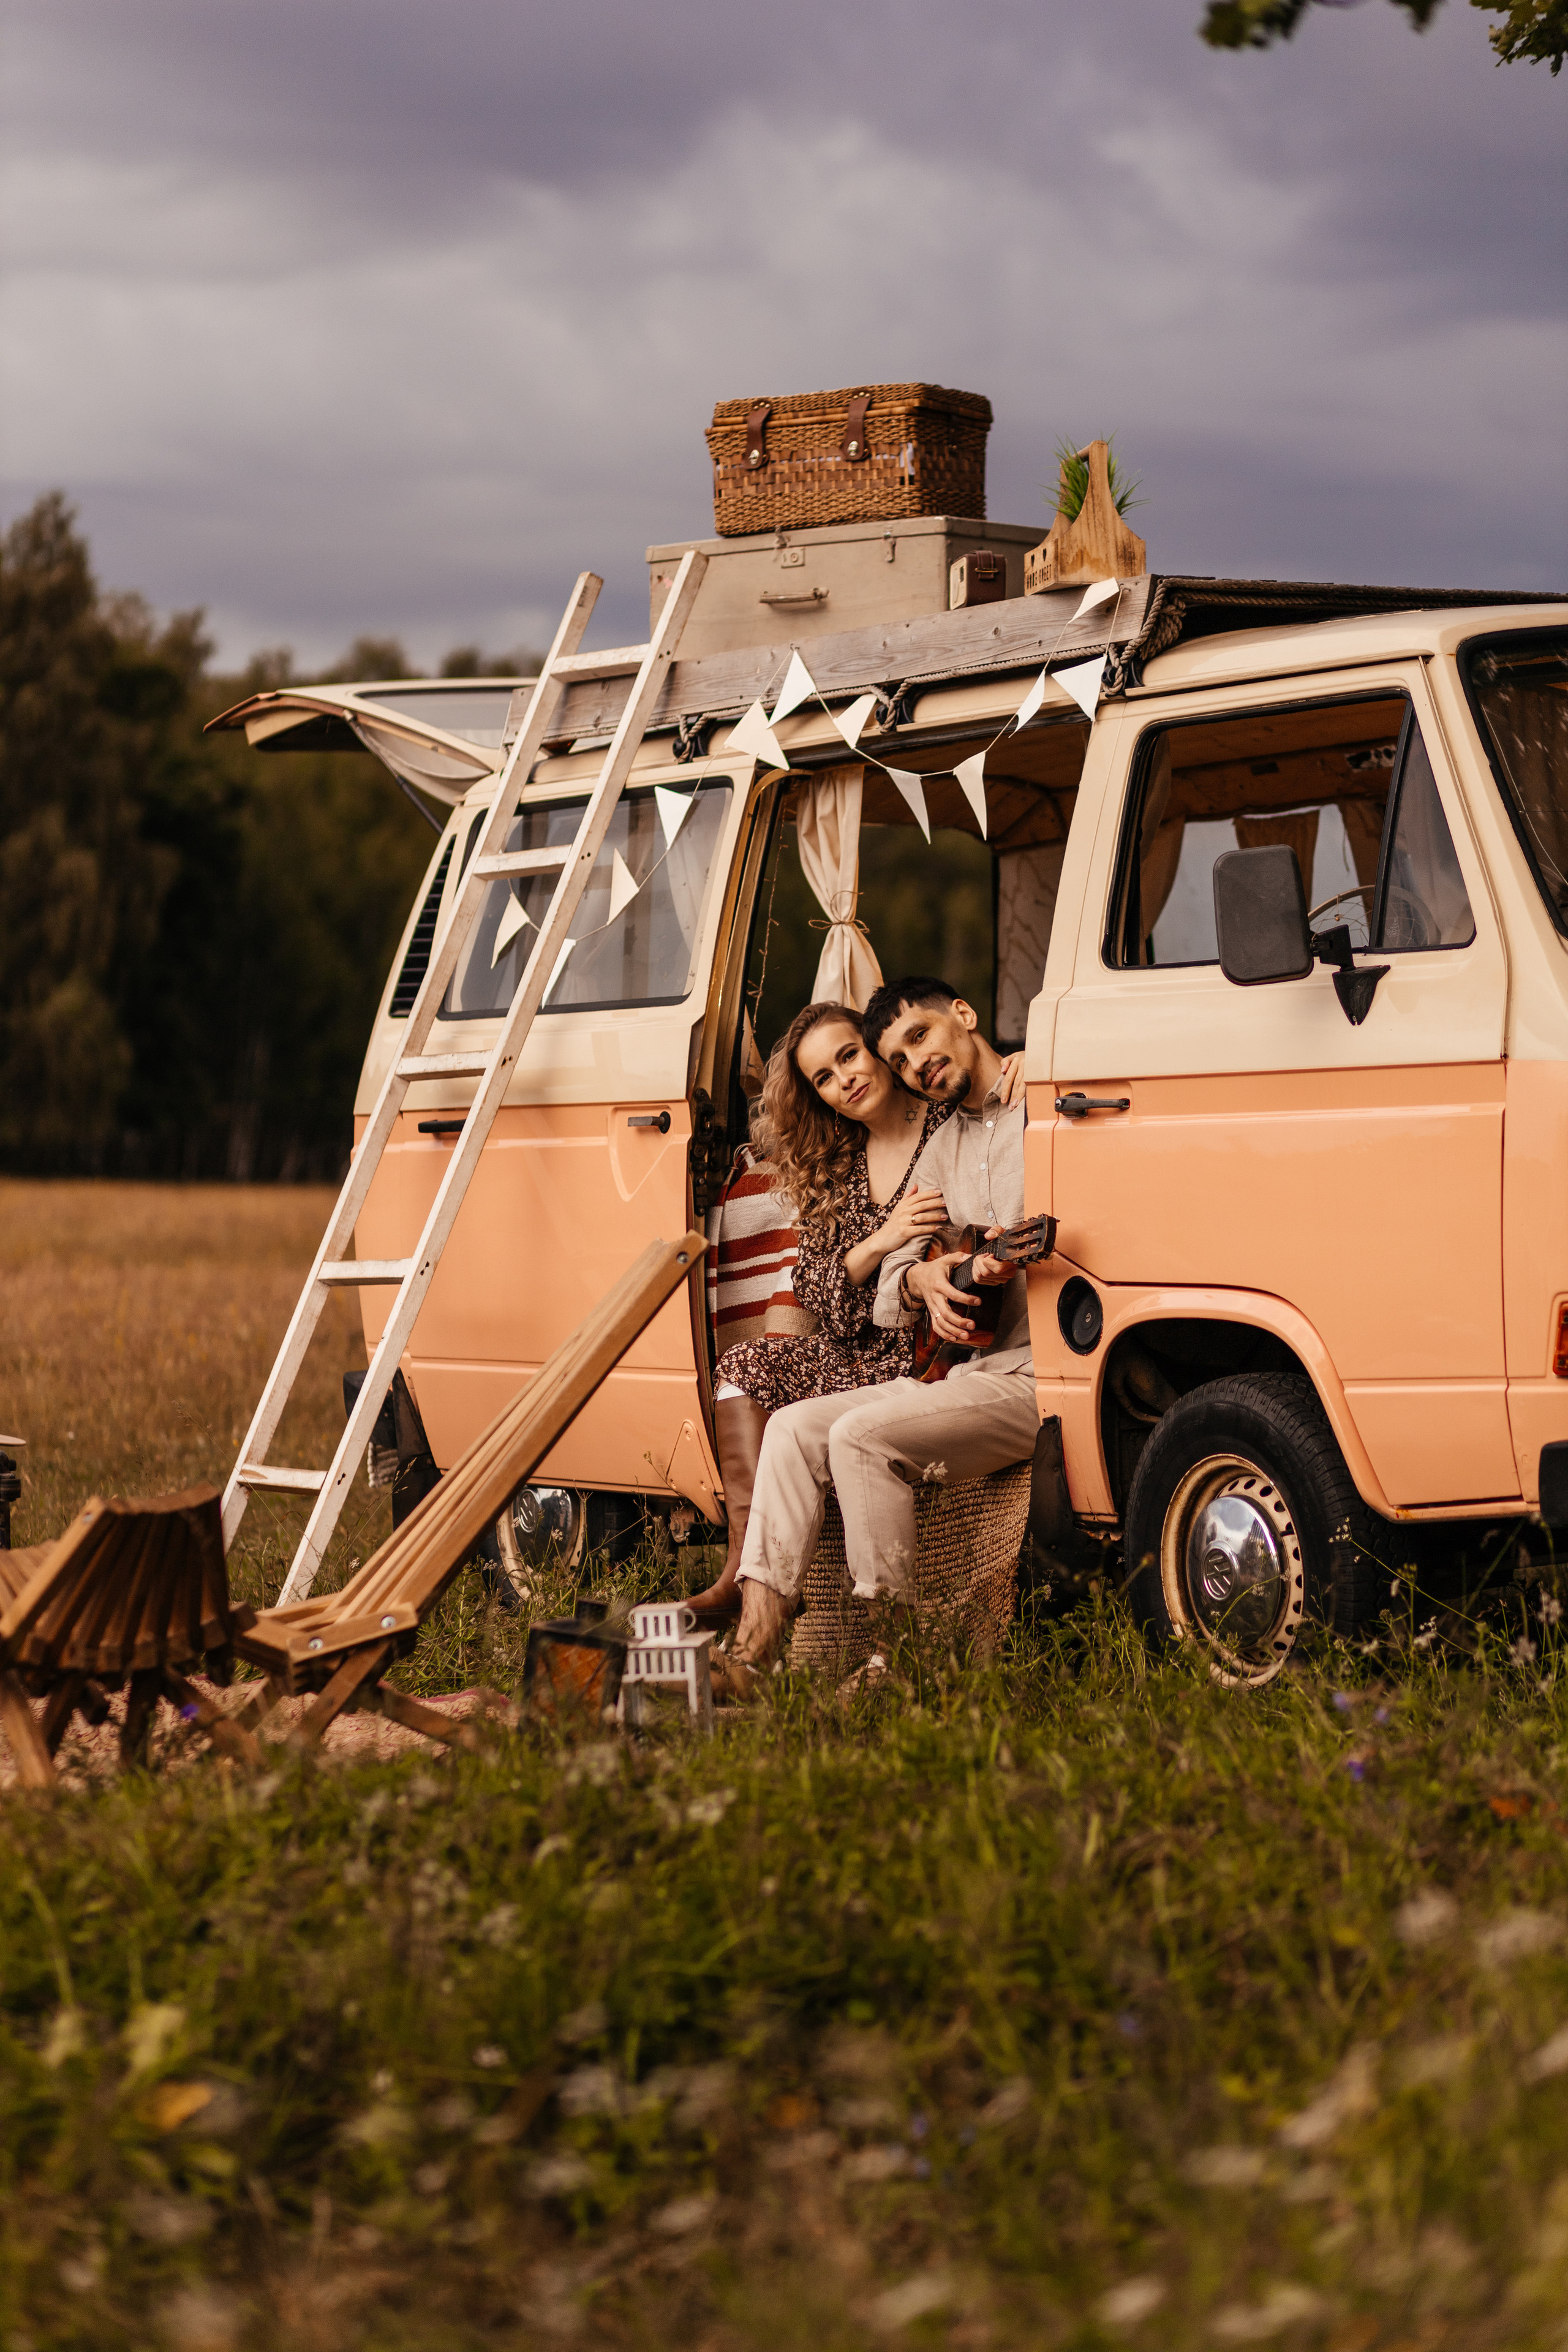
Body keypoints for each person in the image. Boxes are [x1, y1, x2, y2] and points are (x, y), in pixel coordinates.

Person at [715, 976, 1042, 1686]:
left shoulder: (1043, 1094)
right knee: (792, 1427)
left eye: (915, 1039)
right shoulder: (940, 1147)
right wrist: (920, 1278)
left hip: (1027, 1366)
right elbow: (885, 1281)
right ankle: (753, 1645)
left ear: (963, 1014)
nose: (910, 1063)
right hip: (954, 1363)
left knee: (854, 1434)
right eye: (898, 1055)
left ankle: (898, 1660)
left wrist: (1045, 1049)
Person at [680, 1000, 956, 1627]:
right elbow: (818, 1293)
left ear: (879, 1046)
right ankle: (742, 1568)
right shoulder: (842, 1158)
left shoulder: (948, 1121)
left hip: (927, 1348)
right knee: (745, 1363)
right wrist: (880, 1240)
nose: (845, 1080)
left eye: (848, 1056)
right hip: (857, 1351)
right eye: (824, 1078)